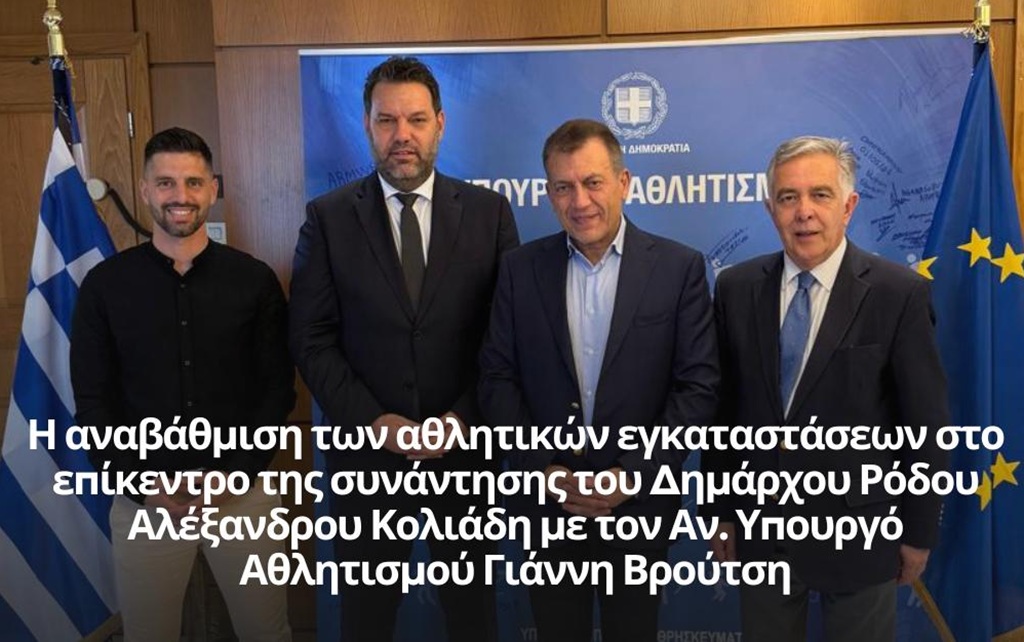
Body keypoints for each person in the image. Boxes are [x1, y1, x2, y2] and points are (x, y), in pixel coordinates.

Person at [289, 56, 519, 642]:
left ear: (440, 123)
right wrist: (374, 421)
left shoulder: (489, 214)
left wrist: (460, 418)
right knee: (366, 619)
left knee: (473, 617)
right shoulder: (328, 219)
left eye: (416, 119)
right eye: (386, 120)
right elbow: (311, 340)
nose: (402, 135)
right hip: (366, 462)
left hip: (465, 458)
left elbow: (506, 338)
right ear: (367, 125)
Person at [478, 118, 719, 642]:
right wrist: (544, 469)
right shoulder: (519, 270)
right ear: (549, 193)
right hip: (547, 507)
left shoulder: (679, 268)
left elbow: (697, 387)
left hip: (638, 507)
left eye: (593, 182)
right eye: (563, 187)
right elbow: (496, 378)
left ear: (623, 182)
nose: (580, 201)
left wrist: (630, 475)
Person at [703, 135, 950, 641]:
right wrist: (721, 511)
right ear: (770, 208)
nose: (804, 212)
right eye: (788, 197)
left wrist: (918, 532)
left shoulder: (898, 293)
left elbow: (925, 425)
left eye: (820, 195)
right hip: (761, 530)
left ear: (849, 206)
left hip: (862, 533)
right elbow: (723, 415)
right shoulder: (735, 288)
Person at [70, 127, 295, 642]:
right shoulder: (105, 287)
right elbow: (94, 402)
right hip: (144, 499)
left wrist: (234, 474)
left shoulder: (255, 280)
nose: (180, 196)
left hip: (242, 495)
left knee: (267, 633)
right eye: (166, 182)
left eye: (193, 182)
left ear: (212, 189)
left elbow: (277, 391)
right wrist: (141, 485)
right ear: (145, 189)